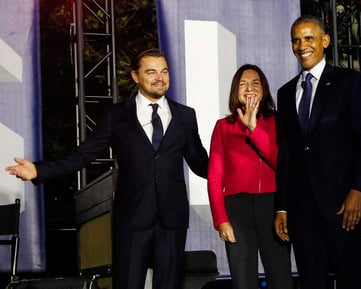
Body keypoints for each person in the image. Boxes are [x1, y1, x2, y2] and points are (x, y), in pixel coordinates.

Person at [5, 48, 209, 289]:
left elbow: (200, 162)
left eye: (164, 71)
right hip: (132, 218)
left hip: (172, 220)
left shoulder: (186, 116)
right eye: (151, 71)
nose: (159, 78)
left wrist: (236, 166)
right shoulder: (116, 115)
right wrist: (40, 171)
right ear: (135, 76)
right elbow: (84, 154)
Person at [274, 15, 361, 289]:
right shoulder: (284, 93)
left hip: (343, 204)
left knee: (351, 278)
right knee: (311, 281)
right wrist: (282, 206)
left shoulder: (349, 82)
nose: (301, 45)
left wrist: (358, 190)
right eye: (296, 40)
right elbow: (287, 155)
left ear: (325, 41)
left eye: (308, 38)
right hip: (302, 209)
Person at [207, 64, 294, 289]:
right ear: (235, 90)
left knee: (281, 279)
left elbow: (281, 162)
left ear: (264, 89)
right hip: (237, 210)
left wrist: (254, 128)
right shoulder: (223, 127)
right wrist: (221, 220)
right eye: (243, 83)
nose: (249, 88)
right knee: (243, 281)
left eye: (255, 82)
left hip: (273, 207)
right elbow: (215, 177)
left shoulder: (278, 121)